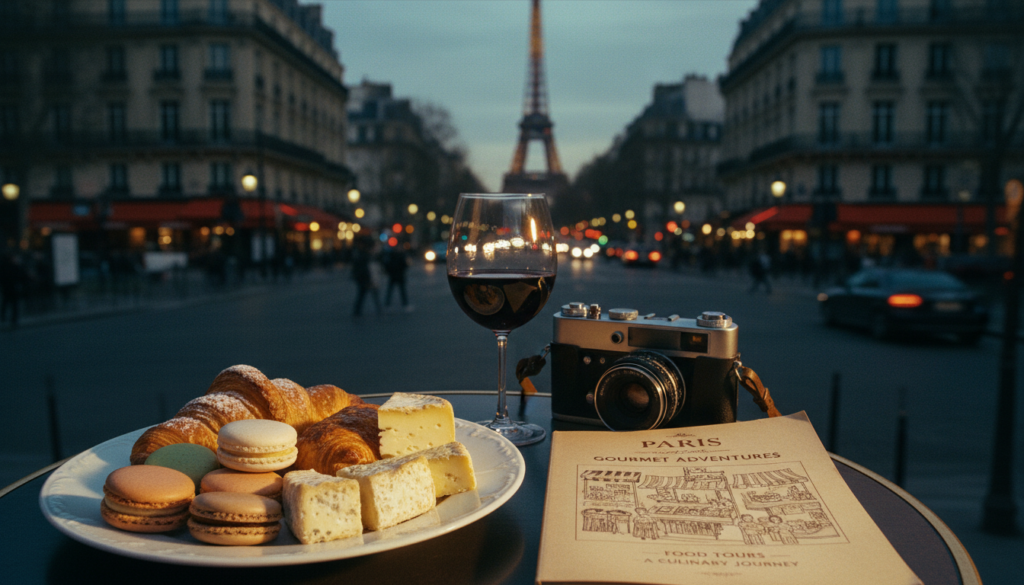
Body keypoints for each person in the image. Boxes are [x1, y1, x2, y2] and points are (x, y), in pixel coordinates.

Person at [351, 237, 381, 317]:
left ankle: (357, 311)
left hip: (364, 279)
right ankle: (378, 310)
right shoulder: (365, 256)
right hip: (366, 279)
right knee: (366, 294)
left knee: (363, 295)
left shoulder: (363, 254)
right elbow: (365, 270)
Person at [0, 251, 27, 328]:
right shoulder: (15, 267)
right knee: (14, 305)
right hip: (13, 288)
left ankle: (3, 317)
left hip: (6, 288)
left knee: (6, 303)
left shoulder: (3, 267)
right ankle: (14, 320)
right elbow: (21, 276)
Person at [383, 247, 412, 311]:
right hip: (399, 275)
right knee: (401, 291)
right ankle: (405, 304)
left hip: (393, 275)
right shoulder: (401, 255)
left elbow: (387, 265)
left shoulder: (391, 255)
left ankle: (387, 304)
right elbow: (405, 265)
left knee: (391, 290)